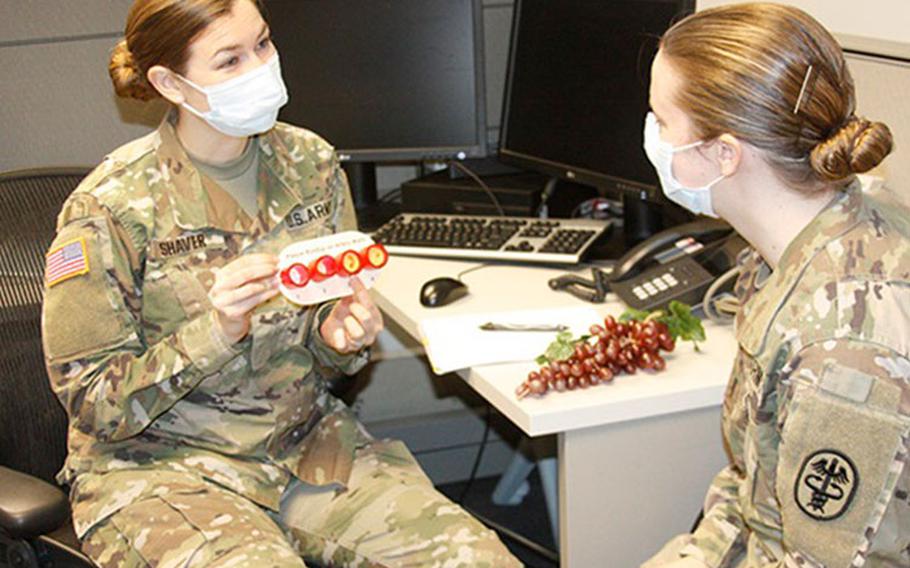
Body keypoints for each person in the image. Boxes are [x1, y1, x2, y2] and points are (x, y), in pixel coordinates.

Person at [41, 0, 521, 566]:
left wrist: (339, 339)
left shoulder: (309, 164)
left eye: (263, 44)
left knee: (475, 559)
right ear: (170, 82)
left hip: (306, 448)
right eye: (229, 60)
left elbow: (324, 336)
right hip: (164, 472)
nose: (260, 68)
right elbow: (95, 403)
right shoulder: (111, 209)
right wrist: (215, 331)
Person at [639, 3, 908, 567]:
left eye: (662, 121)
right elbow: (752, 490)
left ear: (723, 154)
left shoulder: (844, 352)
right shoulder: (814, 230)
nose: (652, 138)